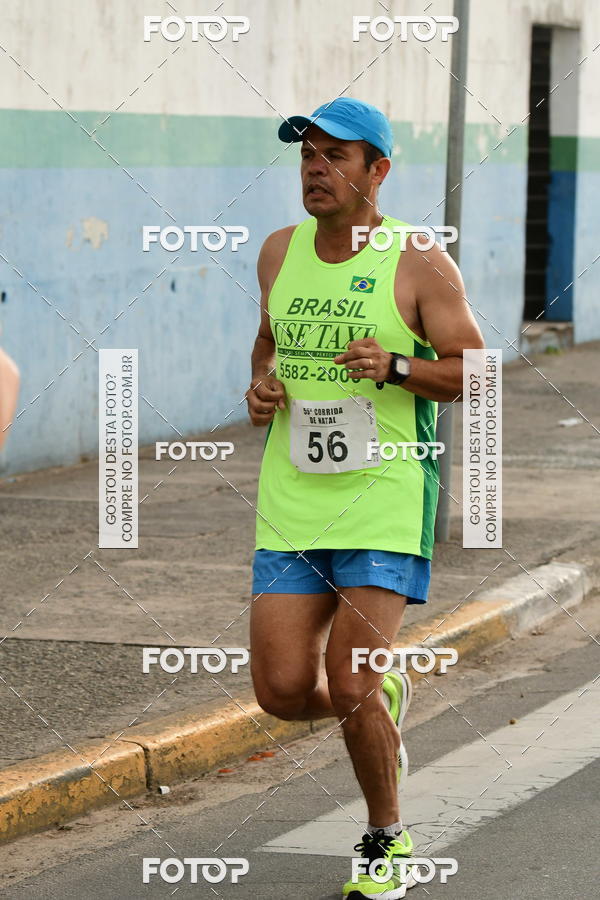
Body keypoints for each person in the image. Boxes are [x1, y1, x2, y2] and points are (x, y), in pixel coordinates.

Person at [245, 97, 484, 898]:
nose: (315, 168)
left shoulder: (418, 261)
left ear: (377, 170)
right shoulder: (279, 253)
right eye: (307, 154)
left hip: (384, 491)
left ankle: (386, 837)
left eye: (335, 155)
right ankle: (375, 703)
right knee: (281, 691)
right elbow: (270, 338)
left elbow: (473, 372)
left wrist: (398, 368)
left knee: (345, 680)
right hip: (293, 496)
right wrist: (260, 385)